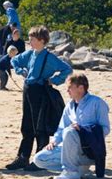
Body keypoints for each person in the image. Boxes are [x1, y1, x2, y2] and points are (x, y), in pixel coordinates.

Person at [6, 25, 72, 171]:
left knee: (40, 126)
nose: (30, 41)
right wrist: (20, 70)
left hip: (41, 92)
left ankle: (40, 159)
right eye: (29, 38)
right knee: (27, 124)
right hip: (27, 90)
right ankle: (23, 157)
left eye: (33, 39)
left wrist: (54, 80)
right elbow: (14, 61)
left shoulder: (49, 57)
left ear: (42, 40)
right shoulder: (30, 53)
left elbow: (67, 69)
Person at [33, 74, 110, 179]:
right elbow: (61, 128)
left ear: (81, 88)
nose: (67, 91)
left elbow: (105, 129)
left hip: (89, 150)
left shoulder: (97, 103)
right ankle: (78, 168)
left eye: (70, 87)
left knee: (70, 131)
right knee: (39, 159)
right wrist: (54, 142)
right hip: (69, 148)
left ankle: (71, 172)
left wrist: (83, 130)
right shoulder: (69, 106)